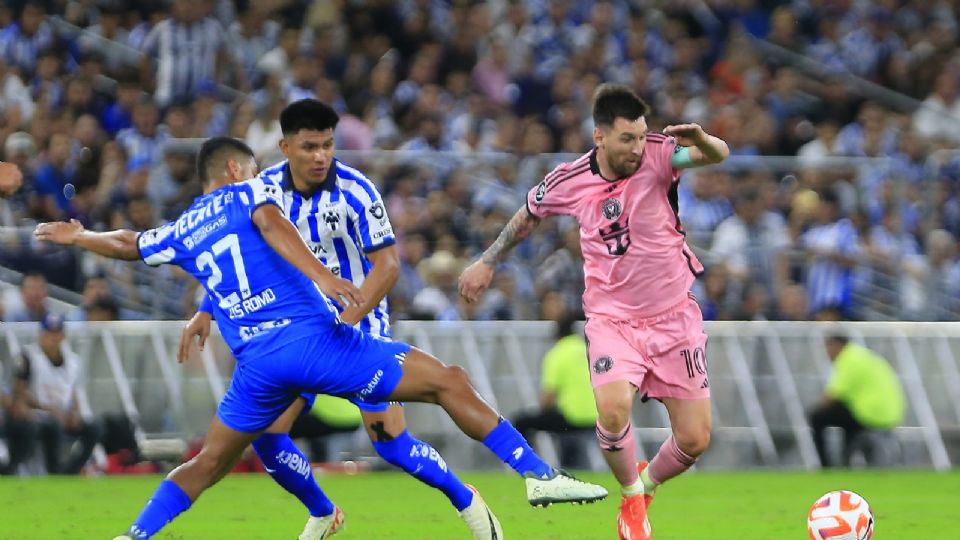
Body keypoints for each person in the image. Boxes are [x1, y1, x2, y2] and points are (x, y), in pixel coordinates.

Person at [35, 136, 606, 540]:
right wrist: (326, 277)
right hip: (318, 339)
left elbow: (132, 243)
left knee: (214, 460)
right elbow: (272, 229)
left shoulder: (185, 226)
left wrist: (82, 235)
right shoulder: (250, 195)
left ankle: (136, 535)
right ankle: (537, 475)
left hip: (258, 363)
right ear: (238, 170)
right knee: (446, 382)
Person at [176, 100, 600, 540]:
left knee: (390, 441)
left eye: (327, 145)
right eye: (309, 147)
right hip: (295, 330)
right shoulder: (262, 192)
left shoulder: (357, 192)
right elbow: (238, 258)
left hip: (356, 329)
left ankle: (466, 498)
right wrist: (205, 310)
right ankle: (322, 511)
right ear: (285, 147)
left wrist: (349, 318)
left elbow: (388, 267)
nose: (321, 156)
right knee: (267, 436)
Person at [459, 83, 730, 540]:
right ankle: (630, 498)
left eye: (643, 136)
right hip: (612, 319)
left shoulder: (663, 156)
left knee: (695, 439)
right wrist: (487, 261)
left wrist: (701, 139)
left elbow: (716, 155)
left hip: (674, 316)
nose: (638, 148)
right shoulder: (569, 180)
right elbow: (527, 215)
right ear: (600, 136)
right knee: (612, 409)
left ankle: (646, 484)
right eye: (628, 139)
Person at [2, 314, 101, 475]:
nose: (53, 338)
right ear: (41, 335)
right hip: (37, 412)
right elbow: (19, 393)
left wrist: (74, 413)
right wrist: (48, 410)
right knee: (49, 426)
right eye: (49, 333)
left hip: (61, 413)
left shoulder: (73, 361)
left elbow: (74, 391)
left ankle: (70, 471)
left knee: (94, 428)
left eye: (57, 333)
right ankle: (51, 470)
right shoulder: (28, 357)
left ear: (63, 336)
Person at [512, 309, 598, 469]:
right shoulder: (588, 351)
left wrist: (544, 410)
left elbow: (548, 397)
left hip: (571, 416)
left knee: (522, 422)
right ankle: (570, 464)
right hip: (597, 416)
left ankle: (527, 466)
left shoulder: (557, 354)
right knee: (565, 431)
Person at [809, 334, 905, 468]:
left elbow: (833, 395)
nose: (826, 354)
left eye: (827, 348)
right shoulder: (863, 355)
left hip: (869, 414)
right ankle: (845, 460)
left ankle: (826, 466)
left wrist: (816, 407)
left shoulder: (848, 359)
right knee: (844, 418)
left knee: (816, 417)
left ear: (837, 345)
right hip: (887, 413)